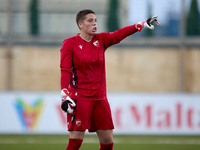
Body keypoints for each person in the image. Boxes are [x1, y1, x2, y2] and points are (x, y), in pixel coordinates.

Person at [60, 9, 160, 150]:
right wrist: (65, 94)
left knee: (107, 143)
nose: (94, 23)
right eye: (90, 21)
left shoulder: (101, 40)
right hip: (80, 98)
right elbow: (65, 70)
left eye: (95, 20)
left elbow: (118, 34)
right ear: (80, 24)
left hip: (100, 99)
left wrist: (140, 24)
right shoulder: (69, 44)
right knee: (75, 142)